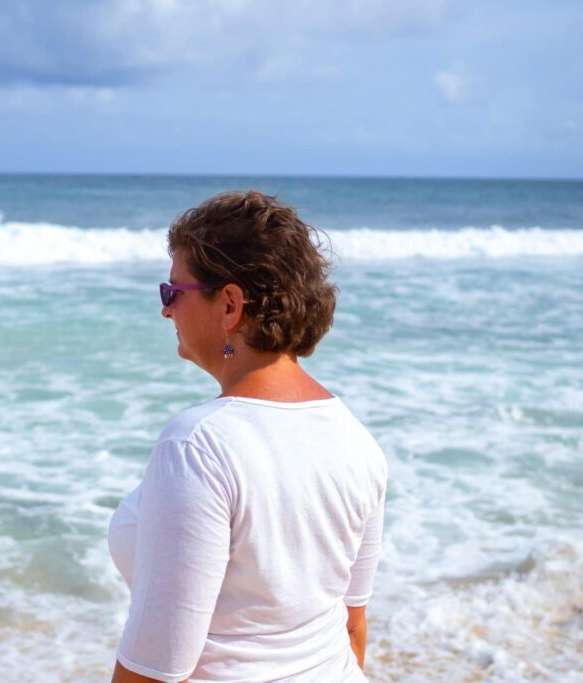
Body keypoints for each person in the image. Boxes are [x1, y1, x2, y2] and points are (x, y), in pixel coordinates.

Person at [108, 191, 388, 683]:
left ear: (230, 305)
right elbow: (351, 630)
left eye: (172, 292)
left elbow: (152, 672)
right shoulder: (356, 441)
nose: (166, 312)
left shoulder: (199, 446)